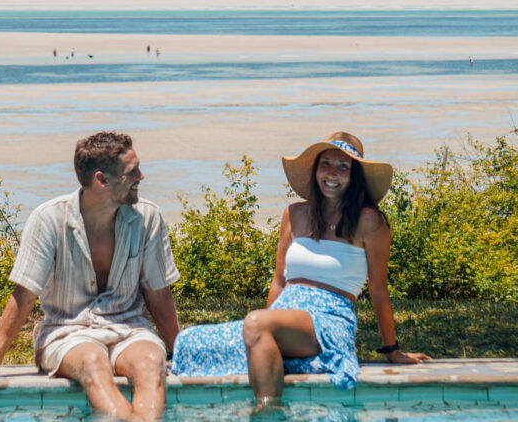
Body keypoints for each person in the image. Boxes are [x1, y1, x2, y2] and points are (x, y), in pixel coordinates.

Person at [0, 131, 180, 422]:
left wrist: (179, 352)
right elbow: (24, 295)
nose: (141, 177)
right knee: (93, 363)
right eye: (133, 172)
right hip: (67, 332)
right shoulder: (48, 219)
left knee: (149, 364)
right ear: (101, 180)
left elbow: (159, 295)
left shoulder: (148, 217)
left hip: (129, 327)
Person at [171, 131, 430, 401]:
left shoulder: (370, 222)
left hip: (328, 320)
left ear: (355, 177)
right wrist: (265, 327)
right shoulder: (294, 214)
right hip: (283, 317)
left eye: (344, 166)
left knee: (256, 323)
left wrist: (392, 349)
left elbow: (378, 290)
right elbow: (279, 281)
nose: (332, 173)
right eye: (326, 164)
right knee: (188, 341)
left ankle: (268, 419)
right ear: (315, 170)